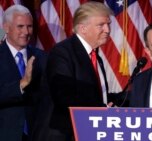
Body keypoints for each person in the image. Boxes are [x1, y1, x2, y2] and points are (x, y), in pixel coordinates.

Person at [46, 1, 114, 141]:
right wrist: (101, 109)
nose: (107, 30)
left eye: (109, 24)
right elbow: (64, 97)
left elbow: (96, 95)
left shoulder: (95, 56)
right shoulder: (63, 52)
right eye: (101, 25)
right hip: (67, 134)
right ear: (83, 28)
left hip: (90, 131)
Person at [0, 5, 49, 141]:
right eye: (20, 26)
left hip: (38, 134)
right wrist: (22, 84)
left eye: (30, 26)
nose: (26, 32)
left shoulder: (43, 57)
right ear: (6, 27)